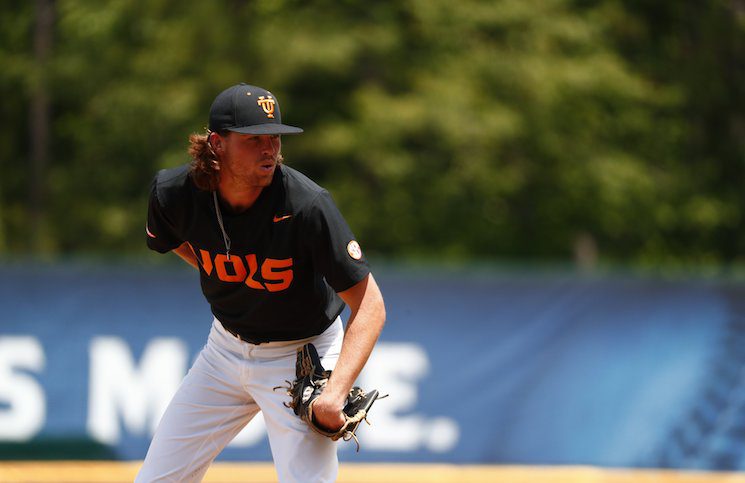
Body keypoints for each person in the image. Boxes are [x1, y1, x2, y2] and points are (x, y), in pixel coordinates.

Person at [137, 83, 386, 482]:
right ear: (217, 143)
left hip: (302, 355)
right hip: (224, 351)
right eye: (254, 139)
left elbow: (370, 305)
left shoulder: (305, 205)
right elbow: (175, 242)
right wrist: (227, 269)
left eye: (274, 138)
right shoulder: (174, 194)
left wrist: (336, 390)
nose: (269, 149)